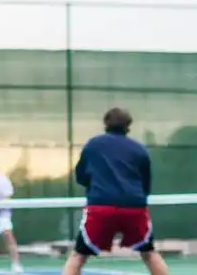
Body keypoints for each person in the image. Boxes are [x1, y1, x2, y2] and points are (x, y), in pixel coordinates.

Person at [62, 108, 168, 275]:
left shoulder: (93, 145)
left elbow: (81, 176)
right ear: (128, 125)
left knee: (78, 256)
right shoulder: (139, 149)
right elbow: (145, 184)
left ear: (106, 123)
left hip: (101, 206)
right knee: (149, 253)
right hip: (134, 207)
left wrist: (97, 186)